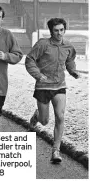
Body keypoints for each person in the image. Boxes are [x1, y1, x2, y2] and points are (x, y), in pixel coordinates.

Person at [25, 18, 80, 163]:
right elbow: (30, 59)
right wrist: (38, 75)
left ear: (65, 30)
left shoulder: (67, 46)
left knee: (60, 117)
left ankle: (56, 151)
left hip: (59, 86)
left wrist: (72, 71)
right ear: (51, 31)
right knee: (44, 121)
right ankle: (38, 115)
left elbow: (70, 60)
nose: (59, 33)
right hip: (43, 86)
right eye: (56, 30)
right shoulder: (43, 44)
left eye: (62, 30)